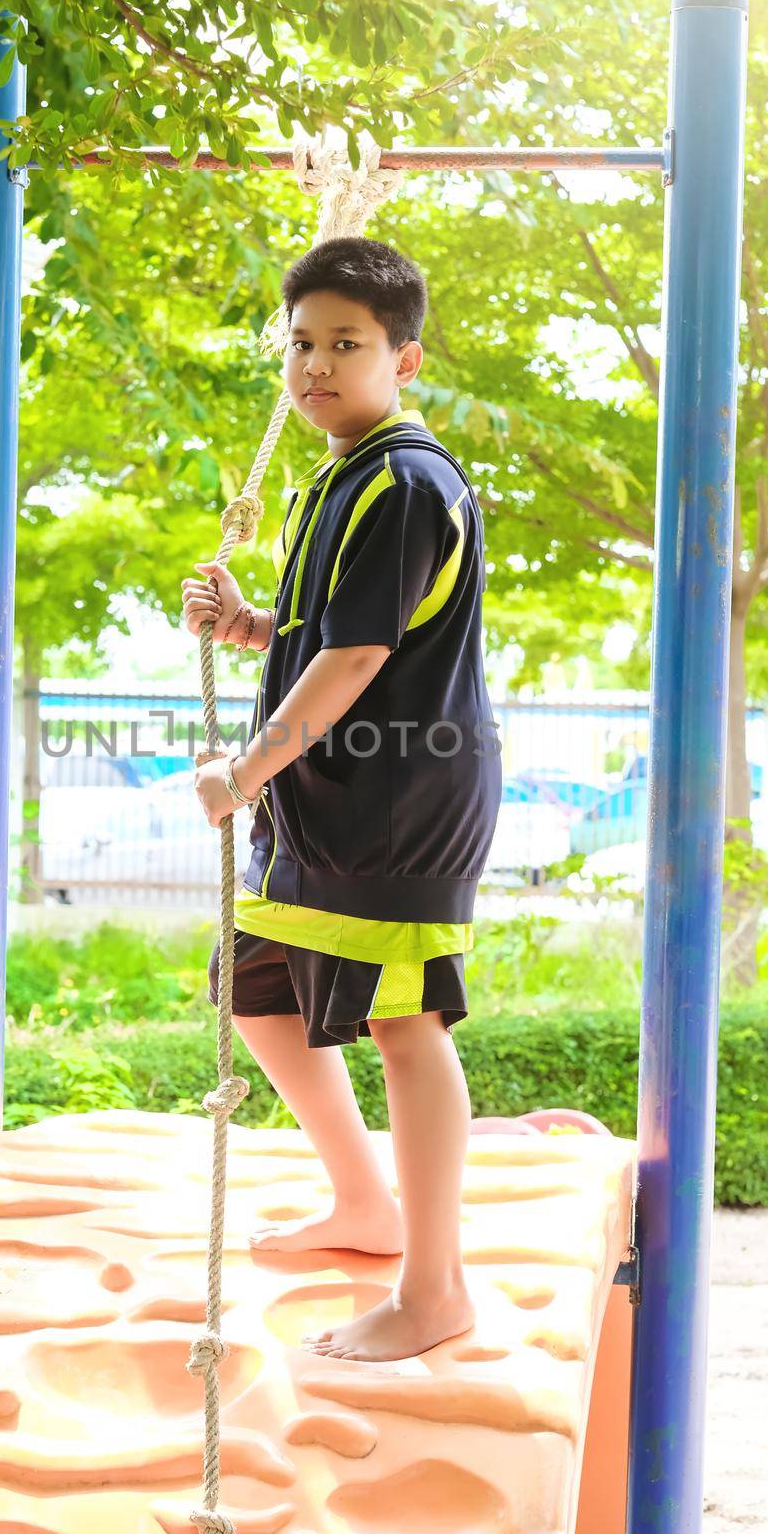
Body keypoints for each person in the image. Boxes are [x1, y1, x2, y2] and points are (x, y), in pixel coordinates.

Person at [180, 236, 502, 1363]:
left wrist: (246, 768)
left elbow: (359, 662)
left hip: (394, 798)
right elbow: (334, 635)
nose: (315, 365)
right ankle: (363, 1202)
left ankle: (435, 1288)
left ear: (403, 358)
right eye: (300, 343)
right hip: (333, 795)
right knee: (254, 985)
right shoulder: (340, 474)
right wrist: (249, 629)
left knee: (403, 1024)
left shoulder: (406, 481)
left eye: (345, 344)